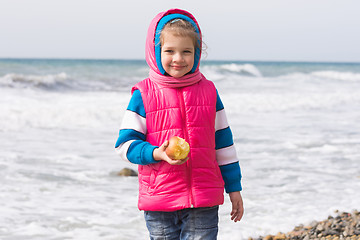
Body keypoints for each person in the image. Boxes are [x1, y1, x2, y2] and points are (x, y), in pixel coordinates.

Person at [115, 8, 243, 240]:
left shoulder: (209, 92)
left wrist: (234, 188)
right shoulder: (143, 94)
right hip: (160, 200)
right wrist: (156, 153)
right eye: (169, 51)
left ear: (197, 53)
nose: (178, 58)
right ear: (156, 52)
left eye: (186, 51)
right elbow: (124, 146)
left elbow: (224, 145)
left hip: (204, 197)